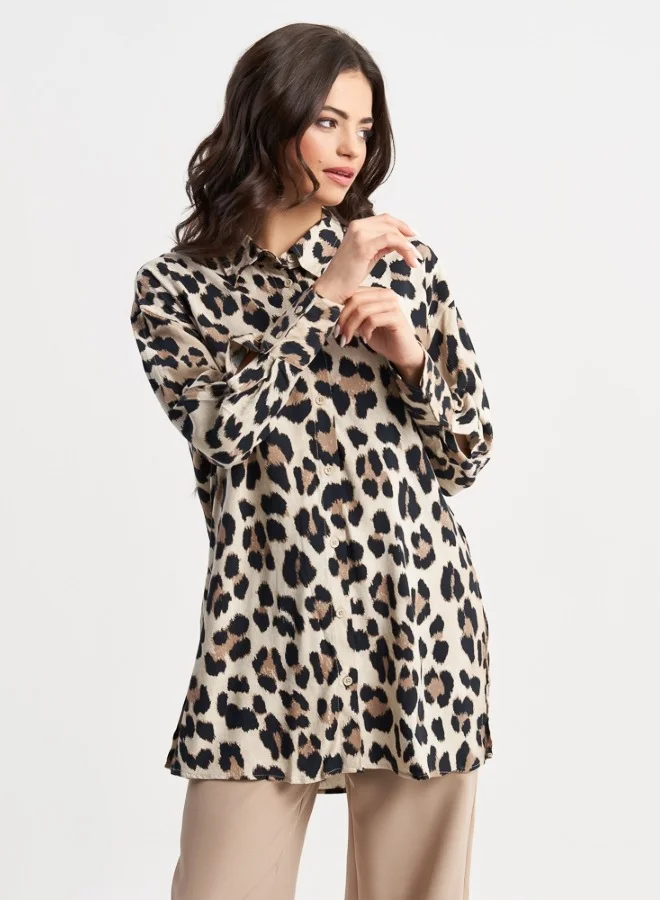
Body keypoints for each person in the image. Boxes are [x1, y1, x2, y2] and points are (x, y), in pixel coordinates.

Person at [130, 21, 495, 900]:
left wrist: (413, 362)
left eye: (364, 128)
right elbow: (223, 433)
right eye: (328, 121)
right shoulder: (176, 288)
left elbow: (468, 453)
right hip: (263, 637)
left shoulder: (403, 265)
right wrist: (323, 299)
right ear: (269, 116)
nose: (351, 149)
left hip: (417, 626)